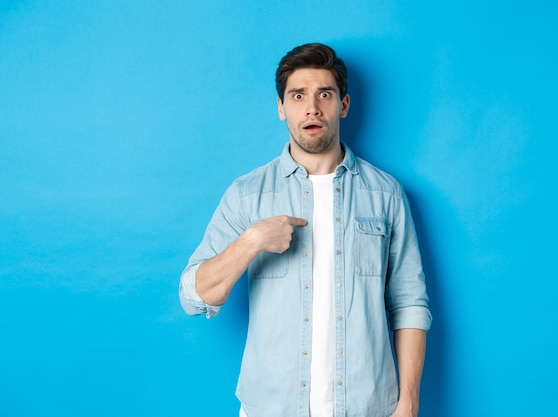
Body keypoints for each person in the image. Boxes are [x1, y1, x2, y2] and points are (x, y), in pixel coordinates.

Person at [179, 43, 431, 417]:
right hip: (272, 408)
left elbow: (409, 303)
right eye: (298, 96)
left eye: (324, 94)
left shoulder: (385, 194)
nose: (311, 107)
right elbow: (192, 296)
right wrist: (252, 241)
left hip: (367, 407)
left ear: (343, 105)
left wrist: (408, 403)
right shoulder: (248, 195)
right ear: (282, 108)